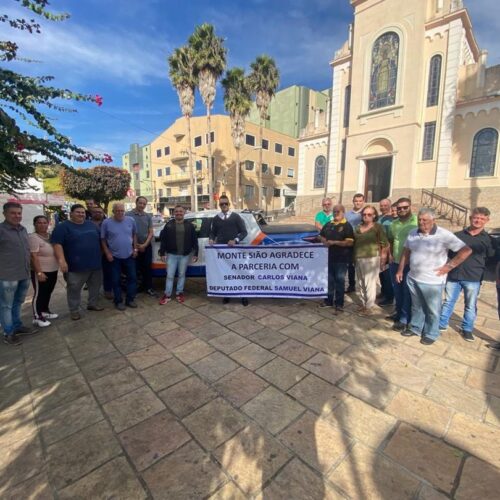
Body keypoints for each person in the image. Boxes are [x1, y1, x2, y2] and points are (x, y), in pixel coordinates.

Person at [396, 208, 472, 345]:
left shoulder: (444, 235)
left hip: (432, 281)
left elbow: (466, 250)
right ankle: (415, 327)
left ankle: (431, 333)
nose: (421, 222)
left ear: (433, 220)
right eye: (419, 219)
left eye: (425, 219)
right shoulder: (412, 233)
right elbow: (406, 252)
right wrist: (400, 270)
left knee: (432, 309)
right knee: (416, 306)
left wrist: (449, 266)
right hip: (413, 277)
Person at [439, 207, 495, 342]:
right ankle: (441, 324)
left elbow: (491, 258)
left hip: (473, 277)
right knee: (448, 301)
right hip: (455, 275)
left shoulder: (488, 240)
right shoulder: (458, 235)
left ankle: (467, 329)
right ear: (470, 218)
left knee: (470, 304)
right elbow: (449, 254)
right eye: (476, 217)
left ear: (487, 220)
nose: (478, 220)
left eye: (482, 218)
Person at [52, 204, 104, 320]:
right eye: (78, 212)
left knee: (95, 286)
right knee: (74, 289)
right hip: (75, 266)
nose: (81, 214)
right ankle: (74, 310)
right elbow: (57, 244)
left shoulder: (91, 225)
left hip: (95, 264)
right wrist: (62, 261)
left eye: (83, 212)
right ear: (71, 214)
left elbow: (100, 240)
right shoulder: (63, 227)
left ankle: (92, 304)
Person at [0, 202, 38, 345]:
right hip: (7, 276)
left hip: (23, 273)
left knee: (18, 302)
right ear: (5, 214)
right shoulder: (1, 230)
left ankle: (17, 326)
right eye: (13, 213)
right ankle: (8, 333)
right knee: (6, 306)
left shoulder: (22, 229)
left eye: (19, 213)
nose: (17, 216)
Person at [209, 195, 249, 306]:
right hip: (222, 252)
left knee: (239, 273)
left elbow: (244, 232)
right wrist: (211, 238)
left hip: (235, 250)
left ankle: (243, 295)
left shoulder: (236, 217)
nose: (224, 205)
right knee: (225, 273)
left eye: (226, 203)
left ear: (229, 204)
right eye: (222, 204)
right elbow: (213, 232)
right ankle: (227, 294)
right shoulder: (216, 218)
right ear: (219, 205)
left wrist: (235, 240)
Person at [101, 203, 138, 311]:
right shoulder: (106, 222)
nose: (120, 213)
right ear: (113, 211)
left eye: (122, 210)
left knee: (132, 278)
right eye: (118, 211)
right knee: (116, 280)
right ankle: (118, 301)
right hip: (114, 257)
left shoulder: (131, 220)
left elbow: (134, 234)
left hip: (129, 255)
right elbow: (103, 239)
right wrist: (107, 253)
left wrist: (135, 249)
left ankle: (130, 299)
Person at [388, 197, 417, 332]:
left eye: (405, 207)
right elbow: (390, 240)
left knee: (407, 292)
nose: (402, 210)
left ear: (410, 207)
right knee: (397, 291)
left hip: (411, 264)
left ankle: (405, 319)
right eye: (399, 208)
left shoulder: (418, 221)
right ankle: (399, 313)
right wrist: (389, 254)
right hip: (395, 262)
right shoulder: (394, 224)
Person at [158, 205, 198, 304]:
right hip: (172, 255)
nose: (179, 213)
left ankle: (179, 293)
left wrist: (196, 253)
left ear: (184, 213)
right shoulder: (168, 225)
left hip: (185, 255)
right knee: (170, 275)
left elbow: (194, 240)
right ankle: (167, 295)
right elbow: (163, 240)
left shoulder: (189, 225)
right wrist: (162, 253)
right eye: (176, 211)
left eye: (181, 211)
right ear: (174, 213)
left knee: (181, 275)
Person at [353, 205, 389, 315]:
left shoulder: (378, 227)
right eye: (364, 214)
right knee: (361, 283)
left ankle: (369, 307)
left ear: (374, 216)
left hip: (371, 258)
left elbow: (385, 243)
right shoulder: (357, 227)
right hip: (358, 258)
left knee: (370, 284)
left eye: (369, 214)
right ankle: (364, 304)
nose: (366, 216)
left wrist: (383, 258)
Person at [319, 204, 354, 313]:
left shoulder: (347, 226)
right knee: (329, 280)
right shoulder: (329, 224)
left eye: (338, 211)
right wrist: (323, 240)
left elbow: (350, 242)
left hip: (341, 259)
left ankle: (339, 303)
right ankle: (328, 301)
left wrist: (334, 242)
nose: (336, 213)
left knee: (340, 281)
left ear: (343, 212)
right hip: (328, 258)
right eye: (334, 211)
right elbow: (320, 235)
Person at [29, 215, 59, 328]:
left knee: (47, 291)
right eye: (39, 223)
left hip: (53, 269)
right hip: (41, 271)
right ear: (35, 224)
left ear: (48, 224)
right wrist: (39, 272)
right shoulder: (33, 237)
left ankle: (45, 311)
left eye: (44, 223)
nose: (42, 225)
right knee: (39, 293)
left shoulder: (50, 236)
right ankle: (37, 317)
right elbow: (33, 256)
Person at [127, 196, 156, 297]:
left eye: (144, 204)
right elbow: (126, 231)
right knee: (134, 269)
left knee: (147, 268)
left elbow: (151, 232)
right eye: (140, 203)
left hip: (146, 246)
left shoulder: (148, 216)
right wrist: (136, 246)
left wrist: (144, 244)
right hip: (132, 247)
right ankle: (135, 288)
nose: (142, 205)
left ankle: (149, 287)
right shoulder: (128, 215)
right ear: (136, 202)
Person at [90, 207, 113, 299]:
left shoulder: (109, 223)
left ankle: (108, 290)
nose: (97, 214)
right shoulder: (87, 224)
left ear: (103, 213)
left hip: (107, 252)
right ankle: (93, 294)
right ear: (92, 213)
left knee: (108, 272)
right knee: (93, 275)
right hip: (93, 253)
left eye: (100, 212)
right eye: (95, 212)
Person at [345, 193, 365, 293]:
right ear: (353, 201)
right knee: (350, 265)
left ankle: (364, 287)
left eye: (360, 201)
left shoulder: (366, 213)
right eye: (356, 201)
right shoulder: (347, 214)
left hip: (362, 244)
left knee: (362, 265)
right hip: (350, 243)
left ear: (363, 202)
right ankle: (351, 285)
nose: (358, 203)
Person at [377, 198, 394, 306]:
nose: (383, 207)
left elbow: (390, 238)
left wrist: (388, 252)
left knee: (387, 274)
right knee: (381, 273)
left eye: (385, 205)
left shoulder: (392, 219)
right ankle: (383, 292)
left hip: (387, 249)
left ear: (390, 206)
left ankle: (389, 297)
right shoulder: (378, 218)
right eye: (381, 205)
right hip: (378, 249)